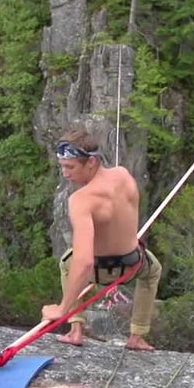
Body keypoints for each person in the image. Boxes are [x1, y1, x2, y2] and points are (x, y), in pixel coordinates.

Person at [40, 127, 163, 351]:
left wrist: (62, 308)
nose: (65, 174)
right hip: (132, 265)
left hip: (98, 270)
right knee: (153, 271)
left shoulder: (82, 200)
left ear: (91, 163)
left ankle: (75, 328)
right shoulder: (124, 175)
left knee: (68, 262)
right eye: (63, 167)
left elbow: (84, 262)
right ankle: (137, 335)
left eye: (70, 167)